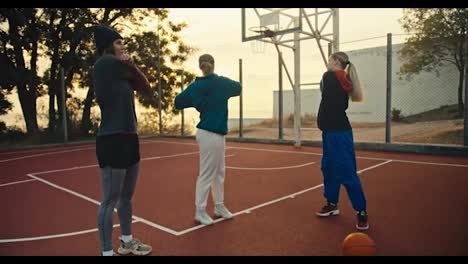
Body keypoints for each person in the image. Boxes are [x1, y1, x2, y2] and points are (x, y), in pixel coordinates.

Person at [93, 25, 153, 256]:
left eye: (122, 42)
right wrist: (128, 64)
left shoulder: (122, 72)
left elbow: (145, 87)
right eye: (118, 42)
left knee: (126, 197)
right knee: (110, 199)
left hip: (130, 138)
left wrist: (131, 66)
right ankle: (106, 252)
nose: (123, 45)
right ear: (108, 46)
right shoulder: (104, 63)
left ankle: (126, 242)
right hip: (112, 139)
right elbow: (136, 76)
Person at [175, 54, 241, 225]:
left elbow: (178, 102)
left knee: (219, 172)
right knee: (208, 173)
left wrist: (197, 100)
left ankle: (218, 206)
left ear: (200, 66)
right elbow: (238, 88)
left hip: (212, 134)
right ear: (213, 64)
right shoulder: (221, 82)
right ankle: (200, 211)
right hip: (210, 133)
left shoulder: (196, 85)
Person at [315, 51, 369, 231]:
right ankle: (332, 204)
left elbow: (325, 93)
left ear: (337, 61)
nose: (327, 62)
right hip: (331, 131)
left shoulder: (330, 76)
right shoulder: (342, 77)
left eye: (330, 59)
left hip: (338, 133)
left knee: (346, 172)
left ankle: (361, 211)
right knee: (328, 168)